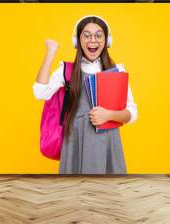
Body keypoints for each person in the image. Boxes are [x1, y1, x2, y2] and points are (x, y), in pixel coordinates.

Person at [33, 15, 138, 174]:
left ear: (107, 40)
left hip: (108, 141)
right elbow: (39, 92)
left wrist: (109, 115)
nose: (93, 40)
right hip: (75, 141)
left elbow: (133, 113)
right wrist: (50, 53)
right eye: (87, 35)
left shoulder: (117, 71)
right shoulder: (66, 70)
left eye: (98, 35)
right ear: (77, 41)